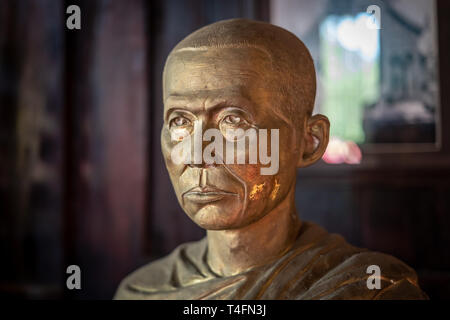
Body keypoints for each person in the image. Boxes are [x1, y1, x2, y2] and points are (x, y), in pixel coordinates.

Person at [114, 18, 427, 300]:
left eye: (233, 121)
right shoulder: (144, 291)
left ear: (309, 141)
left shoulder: (369, 289)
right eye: (180, 122)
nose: (198, 154)